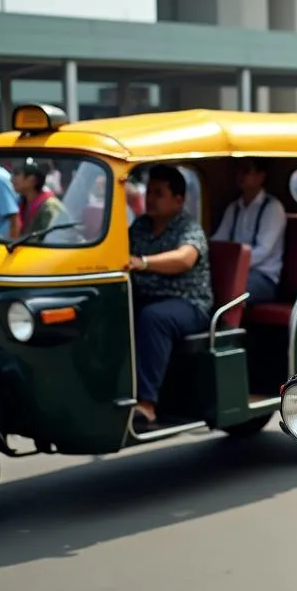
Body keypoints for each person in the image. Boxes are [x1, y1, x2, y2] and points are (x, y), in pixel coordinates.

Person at [125, 165, 212, 429]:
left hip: (189, 304)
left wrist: (143, 263)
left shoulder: (188, 227)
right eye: (149, 191)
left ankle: (147, 405)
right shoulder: (140, 226)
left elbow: (185, 258)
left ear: (178, 200)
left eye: (159, 193)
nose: (150, 198)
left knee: (154, 318)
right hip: (147, 297)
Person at [211, 158, 286, 303]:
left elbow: (263, 251)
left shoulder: (272, 208)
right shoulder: (234, 208)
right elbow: (220, 239)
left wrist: (232, 267)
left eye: (246, 171)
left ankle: (227, 325)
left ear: (261, 176)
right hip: (234, 271)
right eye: (238, 171)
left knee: (232, 288)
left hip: (264, 277)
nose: (240, 176)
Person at [11, 159, 66, 237]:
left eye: (17, 173)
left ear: (32, 179)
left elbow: (57, 238)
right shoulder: (22, 203)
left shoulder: (50, 206)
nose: (12, 178)